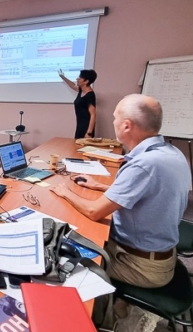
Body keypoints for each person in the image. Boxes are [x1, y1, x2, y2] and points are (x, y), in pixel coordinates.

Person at [50, 93, 191, 331]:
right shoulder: (170, 153)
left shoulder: (143, 165)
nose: (114, 121)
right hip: (161, 255)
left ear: (127, 125)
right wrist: (103, 186)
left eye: (116, 117)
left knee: (64, 256)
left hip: (140, 267)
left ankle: (97, 319)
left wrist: (64, 192)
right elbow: (148, 190)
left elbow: (95, 211)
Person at [58, 69, 97, 139]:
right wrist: (63, 77)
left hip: (86, 129)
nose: (77, 79)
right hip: (79, 126)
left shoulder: (90, 95)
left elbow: (93, 114)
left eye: (80, 78)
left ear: (86, 81)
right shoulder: (81, 91)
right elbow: (73, 86)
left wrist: (89, 133)